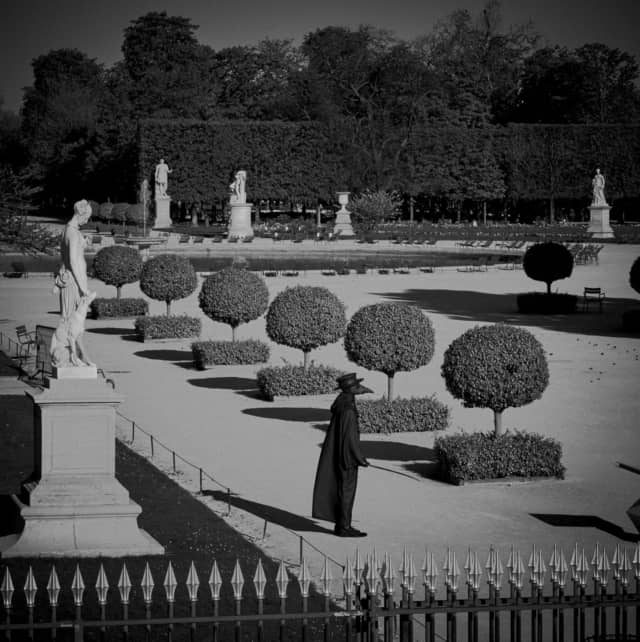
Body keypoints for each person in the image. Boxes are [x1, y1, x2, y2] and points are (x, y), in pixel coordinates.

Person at [312, 373, 372, 537]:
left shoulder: (342, 402)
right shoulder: (348, 410)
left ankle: (342, 525)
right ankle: (344, 527)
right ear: (352, 389)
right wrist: (359, 458)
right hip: (347, 459)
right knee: (346, 492)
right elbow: (349, 438)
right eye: (357, 387)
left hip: (341, 454)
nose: (361, 390)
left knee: (343, 490)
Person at [51, 199, 96, 367]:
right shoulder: (72, 232)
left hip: (71, 280)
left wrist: (83, 243)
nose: (87, 221)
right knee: (73, 322)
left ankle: (78, 355)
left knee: (75, 323)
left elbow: (73, 254)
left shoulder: (69, 230)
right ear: (81, 214)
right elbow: (73, 261)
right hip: (74, 284)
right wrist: (83, 287)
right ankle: (73, 357)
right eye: (87, 217)